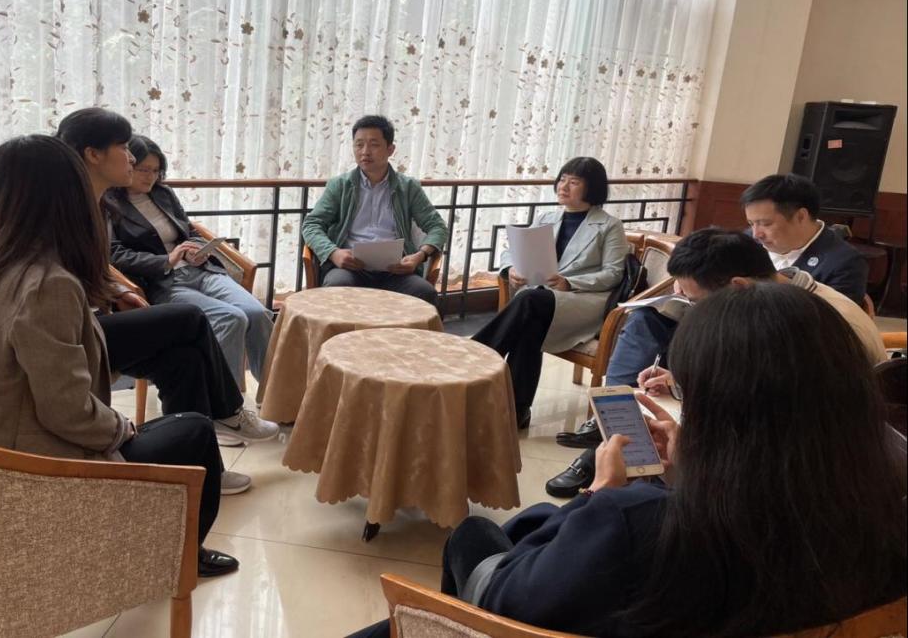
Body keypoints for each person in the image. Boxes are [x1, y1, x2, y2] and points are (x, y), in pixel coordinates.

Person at [350, 283, 907, 637]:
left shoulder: (635, 521)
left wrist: (599, 497)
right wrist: (689, 469)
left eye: (685, 392)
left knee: (473, 534)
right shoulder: (879, 509)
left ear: (719, 412)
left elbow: (508, 602)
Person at [0, 134, 239, 577]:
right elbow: (66, 412)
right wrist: (121, 427)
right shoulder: (48, 284)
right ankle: (178, 558)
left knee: (181, 360)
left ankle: (171, 539)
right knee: (196, 432)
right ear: (68, 198)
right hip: (34, 460)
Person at [549, 228, 887, 497]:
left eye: (696, 301)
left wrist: (686, 453)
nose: (695, 311)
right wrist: (679, 385)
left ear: (738, 286)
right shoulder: (779, 306)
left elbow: (772, 427)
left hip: (800, 477)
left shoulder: (804, 329)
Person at [55, 108, 277, 494]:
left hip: (111, 308)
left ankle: (201, 470)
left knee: (186, 359)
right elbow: (83, 270)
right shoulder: (74, 206)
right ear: (93, 154)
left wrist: (120, 291)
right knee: (190, 319)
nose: (132, 159)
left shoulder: (101, 201)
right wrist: (138, 279)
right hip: (79, 329)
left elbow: (96, 267)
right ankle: (229, 411)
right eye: (124, 148)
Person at [108, 135, 273, 393]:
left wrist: (196, 250)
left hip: (200, 270)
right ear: (129, 164)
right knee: (231, 318)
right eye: (144, 170)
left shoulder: (163, 193)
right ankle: (226, 403)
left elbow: (189, 230)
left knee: (257, 313)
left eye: (156, 170)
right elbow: (114, 255)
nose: (151, 177)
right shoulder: (110, 204)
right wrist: (167, 260)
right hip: (162, 282)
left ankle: (274, 394)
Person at [472, 156, 627, 429]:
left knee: (529, 299)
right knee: (531, 325)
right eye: (562, 179)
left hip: (583, 301)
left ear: (592, 188)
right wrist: (512, 268)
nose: (563, 186)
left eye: (573, 182)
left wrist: (570, 283)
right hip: (544, 299)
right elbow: (514, 249)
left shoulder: (609, 225)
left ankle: (476, 353)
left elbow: (613, 273)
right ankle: (518, 410)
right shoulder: (548, 217)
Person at [301, 114, 447, 305]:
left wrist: (419, 256)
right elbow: (312, 224)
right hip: (351, 268)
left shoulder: (408, 187)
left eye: (374, 145)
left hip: (395, 270)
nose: (365, 152)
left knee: (424, 293)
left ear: (390, 149)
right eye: (359, 144)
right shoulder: (340, 186)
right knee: (337, 287)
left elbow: (437, 226)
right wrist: (334, 253)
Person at [742, 172, 868, 305]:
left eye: (765, 224)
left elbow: (839, 315)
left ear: (800, 216)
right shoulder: (746, 242)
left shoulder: (845, 263)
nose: (756, 234)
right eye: (751, 223)